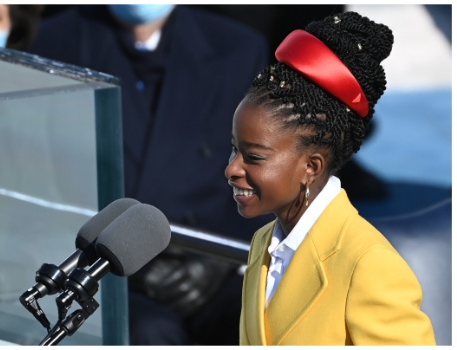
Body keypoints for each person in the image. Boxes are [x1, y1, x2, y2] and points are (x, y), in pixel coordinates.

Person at [27, 5, 272, 345]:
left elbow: (265, 164)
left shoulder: (238, 47)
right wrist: (124, 258)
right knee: (151, 334)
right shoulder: (52, 41)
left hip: (208, 262)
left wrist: (214, 264)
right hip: (101, 267)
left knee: (266, 319)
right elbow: (32, 168)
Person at [225, 11, 436, 345]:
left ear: (312, 166)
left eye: (254, 157)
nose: (232, 169)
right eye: (234, 150)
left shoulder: (369, 265)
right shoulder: (263, 243)